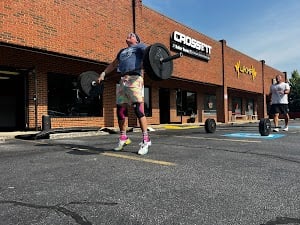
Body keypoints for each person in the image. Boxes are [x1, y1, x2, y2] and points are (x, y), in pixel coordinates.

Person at [97, 32, 151, 155]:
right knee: (120, 111)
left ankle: (146, 139)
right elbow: (113, 64)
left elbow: (151, 53)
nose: (129, 35)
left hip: (135, 79)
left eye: (132, 35)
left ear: (136, 40)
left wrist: (150, 62)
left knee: (138, 109)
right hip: (123, 81)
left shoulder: (140, 47)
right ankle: (123, 138)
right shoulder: (122, 51)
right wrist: (103, 73)